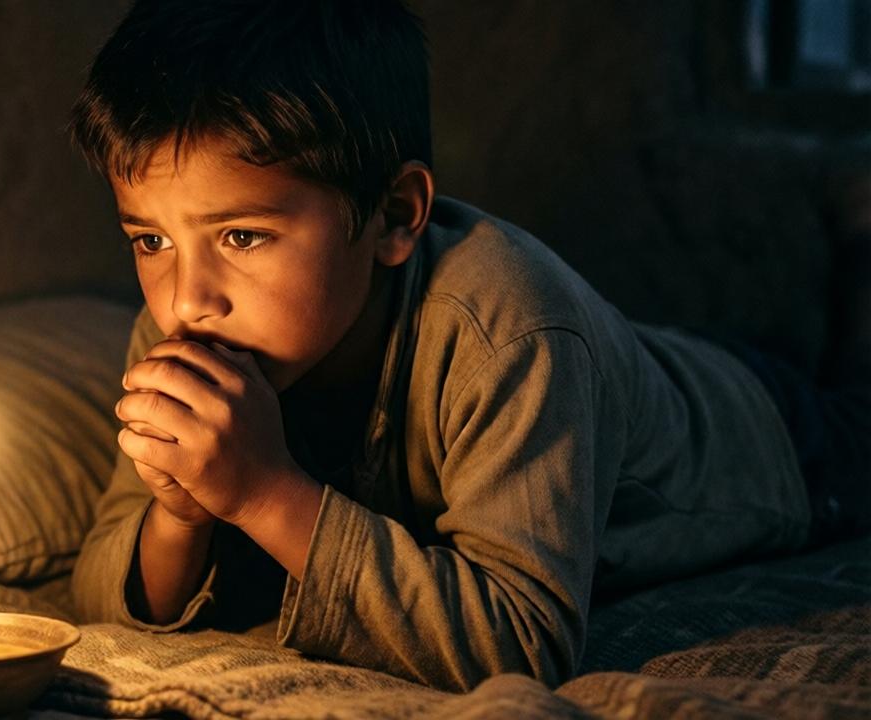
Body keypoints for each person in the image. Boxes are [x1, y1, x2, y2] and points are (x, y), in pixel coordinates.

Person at [67, 0, 870, 692]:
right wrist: (179, 515)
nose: (186, 298)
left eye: (242, 235)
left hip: (763, 440)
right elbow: (101, 592)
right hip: (632, 359)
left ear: (394, 216)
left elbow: (521, 642)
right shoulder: (192, 330)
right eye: (150, 240)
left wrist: (262, 493)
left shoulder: (511, 328)